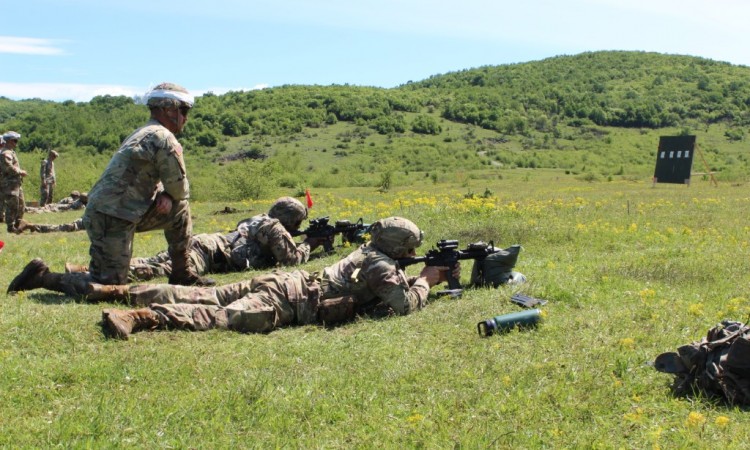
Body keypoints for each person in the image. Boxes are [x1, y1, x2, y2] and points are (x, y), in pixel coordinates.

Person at [7, 217, 460, 340]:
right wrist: (428, 281)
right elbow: (402, 305)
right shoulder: (383, 266)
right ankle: (140, 317)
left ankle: (59, 281)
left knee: (182, 286)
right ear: (403, 248)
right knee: (217, 317)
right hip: (286, 303)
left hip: (284, 280)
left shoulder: (369, 251)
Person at [80, 82, 212, 286]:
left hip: (114, 212)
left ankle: (182, 273)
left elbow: (142, 178)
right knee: (108, 286)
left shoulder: (142, 132)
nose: (186, 118)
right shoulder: (163, 137)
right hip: (112, 217)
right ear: (168, 109)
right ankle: (46, 278)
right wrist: (170, 194)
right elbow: (179, 187)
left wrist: (166, 195)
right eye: (184, 110)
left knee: (179, 209)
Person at [0, 131, 26, 233]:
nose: (16, 143)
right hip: (10, 184)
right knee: (12, 205)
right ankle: (10, 227)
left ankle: (18, 224)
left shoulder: (10, 152)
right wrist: (20, 171)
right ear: (9, 141)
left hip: (16, 183)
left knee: (21, 204)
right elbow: (8, 167)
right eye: (15, 141)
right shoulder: (6, 153)